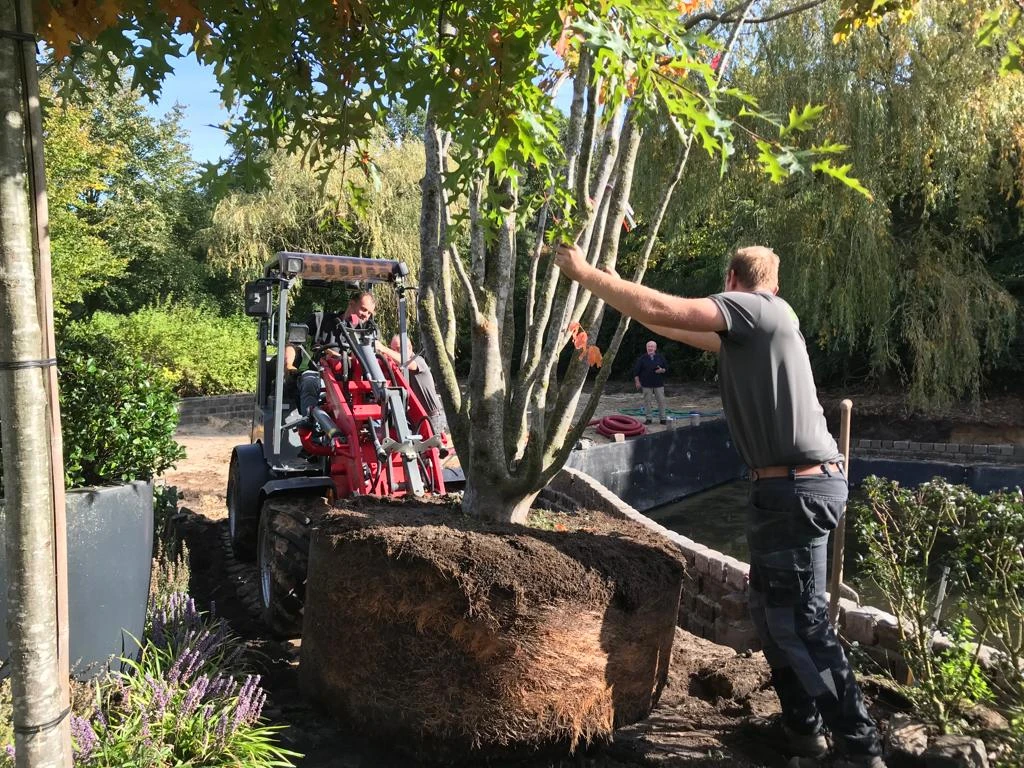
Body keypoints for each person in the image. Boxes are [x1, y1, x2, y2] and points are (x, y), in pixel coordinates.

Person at [553, 242, 886, 768]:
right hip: (789, 490)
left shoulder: (756, 309)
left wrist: (586, 273)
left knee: (800, 622)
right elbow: (662, 322)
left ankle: (861, 750)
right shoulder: (757, 326)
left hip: (795, 491)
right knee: (774, 614)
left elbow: (666, 309)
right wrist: (613, 285)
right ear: (773, 281)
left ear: (733, 279)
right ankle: (805, 730)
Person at [286, 290, 377, 372]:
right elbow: (293, 342)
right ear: (352, 303)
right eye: (364, 309)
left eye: (369, 313)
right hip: (317, 373)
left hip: (349, 379)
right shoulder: (320, 319)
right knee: (309, 383)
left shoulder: (367, 333)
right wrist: (289, 365)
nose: (366, 315)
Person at [376, 334, 448, 437]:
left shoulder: (418, 361)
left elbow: (406, 363)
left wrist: (384, 349)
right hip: (417, 418)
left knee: (431, 450)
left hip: (432, 416)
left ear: (409, 348)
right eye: (393, 349)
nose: (395, 353)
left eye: (398, 349)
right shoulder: (399, 370)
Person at [633, 340, 669, 425]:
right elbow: (636, 372)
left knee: (661, 401)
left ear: (655, 348)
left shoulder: (660, 357)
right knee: (647, 402)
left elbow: (666, 368)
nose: (650, 348)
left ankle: (663, 419)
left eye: (652, 346)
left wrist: (662, 370)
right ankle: (649, 419)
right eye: (649, 346)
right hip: (646, 384)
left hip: (658, 384)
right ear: (646, 348)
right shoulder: (642, 358)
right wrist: (637, 382)